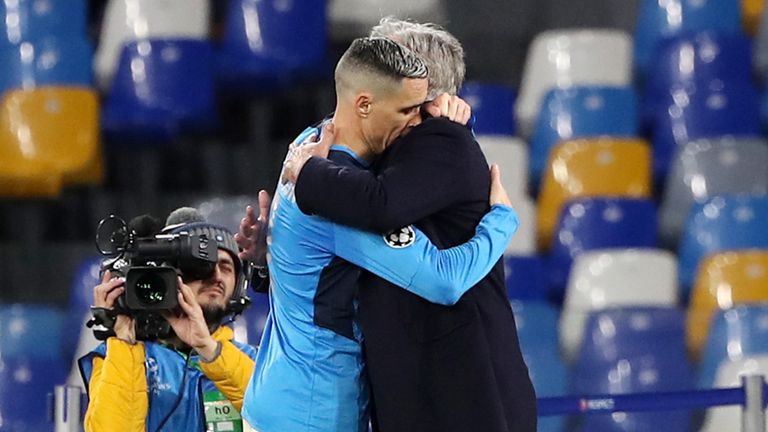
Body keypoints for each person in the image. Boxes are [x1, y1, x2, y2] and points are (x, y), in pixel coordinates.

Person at [237, 37, 520, 432]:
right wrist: (502, 222)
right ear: (365, 105)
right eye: (407, 110)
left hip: (280, 395)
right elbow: (444, 279)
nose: (416, 122)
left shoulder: (309, 143)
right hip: (312, 413)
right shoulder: (338, 202)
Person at [79, 208, 259, 432]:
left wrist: (209, 349)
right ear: (171, 276)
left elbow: (284, 421)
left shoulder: (259, 362)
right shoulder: (121, 355)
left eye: (226, 267)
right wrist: (124, 338)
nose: (216, 276)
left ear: (238, 286)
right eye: (201, 267)